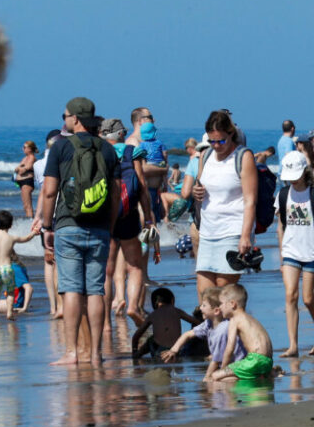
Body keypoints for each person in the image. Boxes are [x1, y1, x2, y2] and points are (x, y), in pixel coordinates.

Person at [42, 97, 121, 365]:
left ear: (75, 118)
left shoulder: (61, 147)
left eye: (64, 115)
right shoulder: (109, 151)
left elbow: (50, 190)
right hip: (99, 228)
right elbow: (115, 197)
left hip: (68, 225)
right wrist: (108, 228)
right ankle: (97, 354)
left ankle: (72, 352)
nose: (63, 120)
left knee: (72, 289)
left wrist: (46, 226)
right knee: (96, 291)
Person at [192, 110, 258, 297]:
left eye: (221, 141)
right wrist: (196, 192)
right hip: (208, 231)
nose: (216, 145)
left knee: (223, 293)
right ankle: (214, 326)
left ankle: (232, 325)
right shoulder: (205, 156)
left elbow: (250, 200)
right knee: (205, 294)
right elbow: (200, 185)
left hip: (232, 231)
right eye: (212, 141)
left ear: (231, 134)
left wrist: (245, 236)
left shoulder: (243, 157)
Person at [100, 118, 157, 329]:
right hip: (128, 214)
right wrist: (149, 218)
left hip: (106, 217)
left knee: (107, 270)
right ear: (122, 134)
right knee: (134, 266)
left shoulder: (100, 152)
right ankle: (132, 306)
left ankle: (105, 322)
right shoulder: (131, 152)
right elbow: (141, 186)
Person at [277, 151, 314, 357]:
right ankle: (293, 345)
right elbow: (281, 226)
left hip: (313, 252)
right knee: (290, 295)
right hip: (291, 251)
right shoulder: (283, 194)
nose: (292, 179)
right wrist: (282, 253)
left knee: (308, 299)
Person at [161, 287, 245, 381]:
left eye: (204, 305)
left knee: (214, 380)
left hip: (238, 366)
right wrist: (173, 350)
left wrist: (206, 379)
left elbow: (216, 361)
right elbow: (187, 334)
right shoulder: (209, 323)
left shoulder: (222, 329)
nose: (200, 308)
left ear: (216, 311)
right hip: (228, 364)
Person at [212, 284, 276, 382]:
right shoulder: (251, 319)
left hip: (255, 359)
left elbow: (230, 348)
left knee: (215, 376)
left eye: (221, 303)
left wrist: (223, 369)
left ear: (232, 304)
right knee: (230, 376)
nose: (219, 307)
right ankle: (268, 373)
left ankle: (264, 375)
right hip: (268, 361)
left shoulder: (235, 320)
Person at [0, 210, 38, 323]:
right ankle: (9, 313)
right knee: (10, 291)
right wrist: (34, 233)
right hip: (7, 268)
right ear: (10, 225)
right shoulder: (11, 238)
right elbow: (26, 239)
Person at [32, 129, 62, 317]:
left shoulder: (38, 164)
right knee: (61, 260)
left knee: (48, 260)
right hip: (64, 213)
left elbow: (43, 192)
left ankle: (53, 307)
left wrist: (38, 217)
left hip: (47, 216)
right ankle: (61, 305)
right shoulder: (65, 159)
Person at [132, 287, 199, 358]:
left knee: (151, 340)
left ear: (154, 303)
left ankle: (137, 355)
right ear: (172, 301)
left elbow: (136, 335)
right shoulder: (177, 311)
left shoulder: (153, 315)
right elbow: (196, 322)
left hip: (160, 352)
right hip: (177, 349)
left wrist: (134, 349)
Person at [15, 140, 38, 218]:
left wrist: (20, 168)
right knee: (25, 206)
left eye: (24, 147)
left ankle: (30, 222)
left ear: (30, 149)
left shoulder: (32, 158)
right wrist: (19, 168)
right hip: (22, 182)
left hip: (27, 182)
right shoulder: (25, 158)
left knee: (28, 206)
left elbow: (22, 170)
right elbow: (16, 169)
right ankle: (29, 220)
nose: (23, 149)